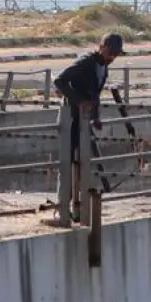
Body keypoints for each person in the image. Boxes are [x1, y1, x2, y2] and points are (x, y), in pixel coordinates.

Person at [54, 32, 124, 216]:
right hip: (70, 116)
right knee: (67, 162)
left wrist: (95, 116)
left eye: (115, 55)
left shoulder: (104, 69)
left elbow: (95, 96)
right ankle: (62, 208)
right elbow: (59, 81)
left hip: (84, 119)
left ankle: (78, 208)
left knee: (82, 162)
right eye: (110, 53)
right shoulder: (86, 62)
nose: (112, 58)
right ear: (101, 47)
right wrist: (78, 101)